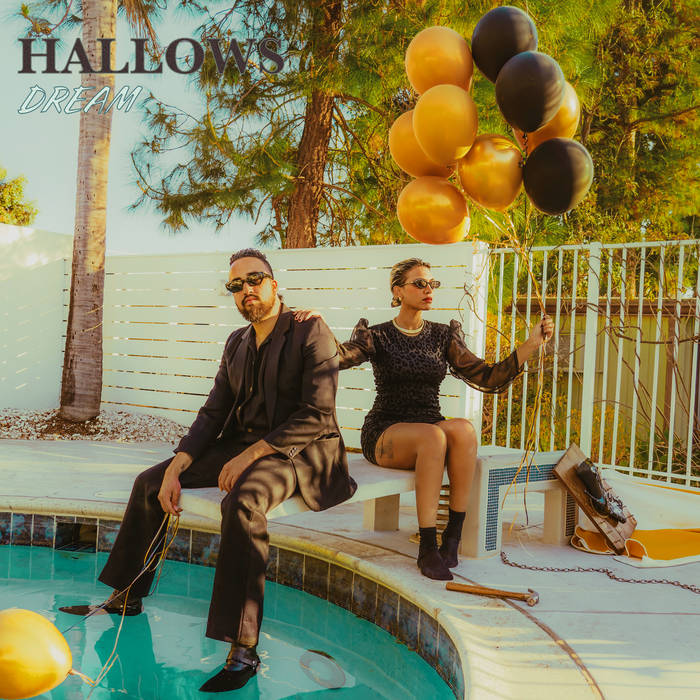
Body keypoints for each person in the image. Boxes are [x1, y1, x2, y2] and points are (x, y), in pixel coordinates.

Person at [60, 248, 357, 693]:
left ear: (274, 284)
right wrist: (179, 464)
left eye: (254, 279)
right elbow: (215, 411)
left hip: (301, 452)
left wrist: (250, 455)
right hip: (243, 445)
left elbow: (318, 413)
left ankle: (243, 646)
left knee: (244, 502)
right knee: (150, 483)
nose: (246, 289)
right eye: (236, 285)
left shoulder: (308, 329)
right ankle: (126, 596)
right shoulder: (237, 342)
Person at [297, 257, 553, 581]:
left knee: (464, 430)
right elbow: (338, 357)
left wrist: (531, 343)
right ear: (398, 291)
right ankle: (427, 547)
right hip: (386, 430)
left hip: (430, 425)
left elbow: (487, 376)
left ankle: (453, 538)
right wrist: (317, 324)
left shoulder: (443, 335)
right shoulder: (377, 335)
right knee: (433, 436)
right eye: (419, 283)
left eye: (432, 283)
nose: (428, 289)